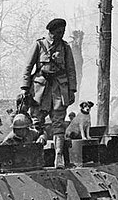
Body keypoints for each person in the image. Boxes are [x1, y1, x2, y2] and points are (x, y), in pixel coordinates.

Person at [21, 18, 77, 168]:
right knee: (36, 122)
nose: (61, 35)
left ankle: (59, 157)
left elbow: (71, 70)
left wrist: (72, 90)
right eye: (58, 32)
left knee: (58, 124)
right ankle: (33, 156)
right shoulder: (39, 45)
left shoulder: (65, 48)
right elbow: (28, 67)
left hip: (59, 89)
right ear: (51, 32)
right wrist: (25, 88)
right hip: (40, 90)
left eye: (63, 32)